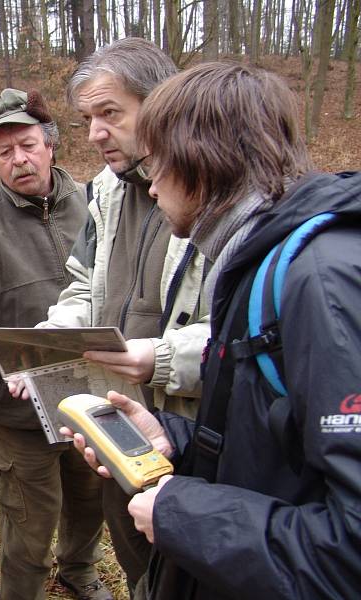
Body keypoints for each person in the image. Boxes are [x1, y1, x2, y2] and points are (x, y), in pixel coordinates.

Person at [66, 62, 361, 599]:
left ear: (201, 161)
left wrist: (183, 513)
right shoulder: (253, 259)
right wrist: (174, 440)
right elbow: (280, 456)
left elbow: (350, 548)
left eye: (157, 163)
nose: (150, 185)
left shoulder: (318, 283)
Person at [29, 38, 209, 595]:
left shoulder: (211, 189)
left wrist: (157, 358)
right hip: (117, 427)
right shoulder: (103, 192)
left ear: (161, 107)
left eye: (110, 114)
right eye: (86, 118)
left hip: (196, 433)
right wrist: (53, 336)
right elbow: (84, 283)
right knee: (138, 559)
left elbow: (247, 332)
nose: (94, 134)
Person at [0, 88, 111, 600]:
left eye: (28, 144)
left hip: (93, 393)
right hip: (20, 407)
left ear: (51, 144)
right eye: (4, 152)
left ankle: (78, 571)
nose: (19, 160)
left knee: (89, 498)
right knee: (27, 523)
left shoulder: (99, 206)